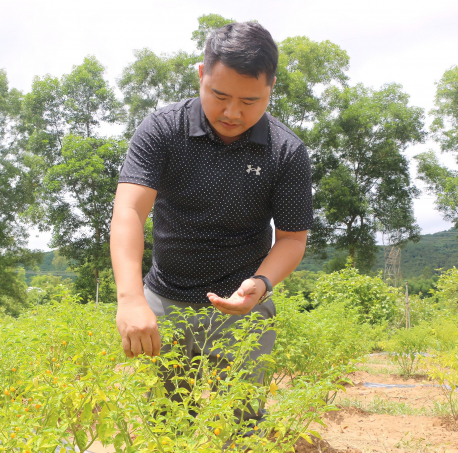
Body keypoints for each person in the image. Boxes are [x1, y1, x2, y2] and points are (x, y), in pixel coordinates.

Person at [110, 21, 313, 426]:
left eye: (250, 101)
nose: (232, 112)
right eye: (219, 95)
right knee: (164, 421)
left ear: (271, 88)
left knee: (241, 422)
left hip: (243, 307)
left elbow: (291, 238)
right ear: (201, 75)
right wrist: (130, 298)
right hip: (163, 299)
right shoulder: (163, 130)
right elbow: (129, 211)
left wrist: (262, 284)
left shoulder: (286, 151)